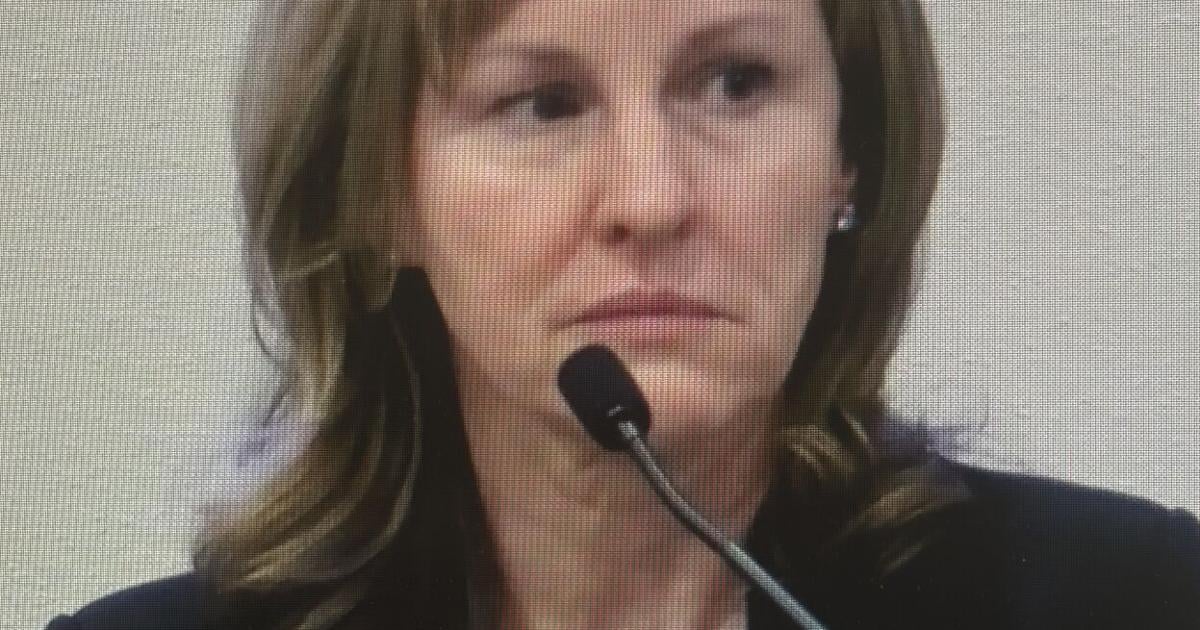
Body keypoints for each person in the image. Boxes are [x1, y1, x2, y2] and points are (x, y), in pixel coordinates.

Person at [46, 0, 1200, 628]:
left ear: (849, 160)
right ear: (384, 197)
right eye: (542, 104)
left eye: (735, 83)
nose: (651, 199)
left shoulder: (1132, 598)